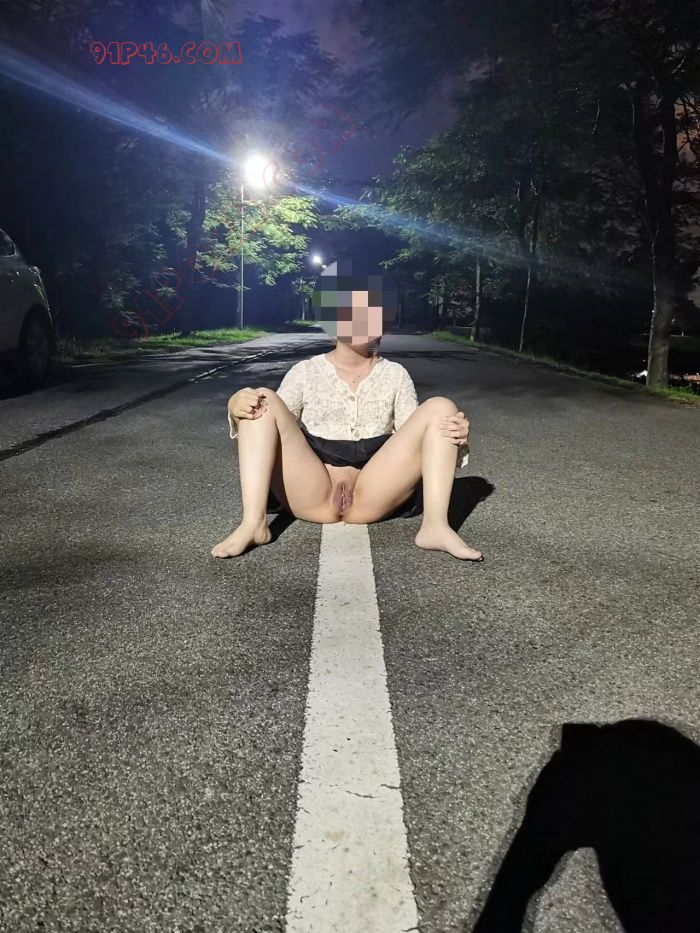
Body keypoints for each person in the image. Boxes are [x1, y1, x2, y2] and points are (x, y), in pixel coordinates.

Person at [211, 258, 484, 562]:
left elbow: (415, 436)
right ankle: (253, 523)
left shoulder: (395, 375)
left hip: (373, 493)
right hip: (312, 492)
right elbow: (271, 426)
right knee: (261, 400)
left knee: (442, 407)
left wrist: (453, 432)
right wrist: (235, 405)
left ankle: (436, 526)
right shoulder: (305, 372)